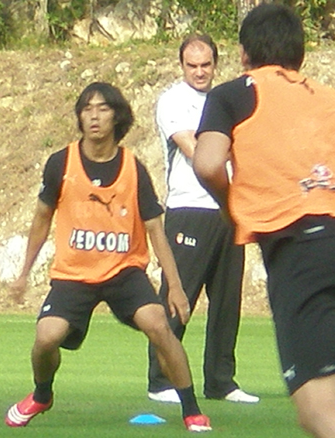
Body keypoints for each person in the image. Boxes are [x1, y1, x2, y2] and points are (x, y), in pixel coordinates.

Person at [5, 82, 211, 432]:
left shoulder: (133, 168)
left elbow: (155, 230)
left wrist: (175, 287)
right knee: (46, 338)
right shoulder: (61, 163)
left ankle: (191, 409)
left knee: (159, 326)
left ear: (117, 116)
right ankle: (42, 394)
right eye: (87, 109)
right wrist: (24, 273)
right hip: (73, 273)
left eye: (102, 108)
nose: (94, 116)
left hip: (123, 271)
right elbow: (41, 218)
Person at [193, 4, 335, 437]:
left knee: (319, 412)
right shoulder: (327, 97)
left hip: (300, 249)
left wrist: (232, 206)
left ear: (243, 53)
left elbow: (208, 163)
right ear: (300, 53)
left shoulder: (233, 94)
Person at [147, 34, 259, 404]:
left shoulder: (225, 99)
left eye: (206, 65)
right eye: (192, 65)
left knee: (227, 299)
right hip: (189, 209)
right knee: (179, 294)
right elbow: (194, 150)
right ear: (182, 65)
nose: (199, 72)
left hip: (228, 207)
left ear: (215, 64)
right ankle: (161, 380)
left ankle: (221, 382)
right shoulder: (174, 101)